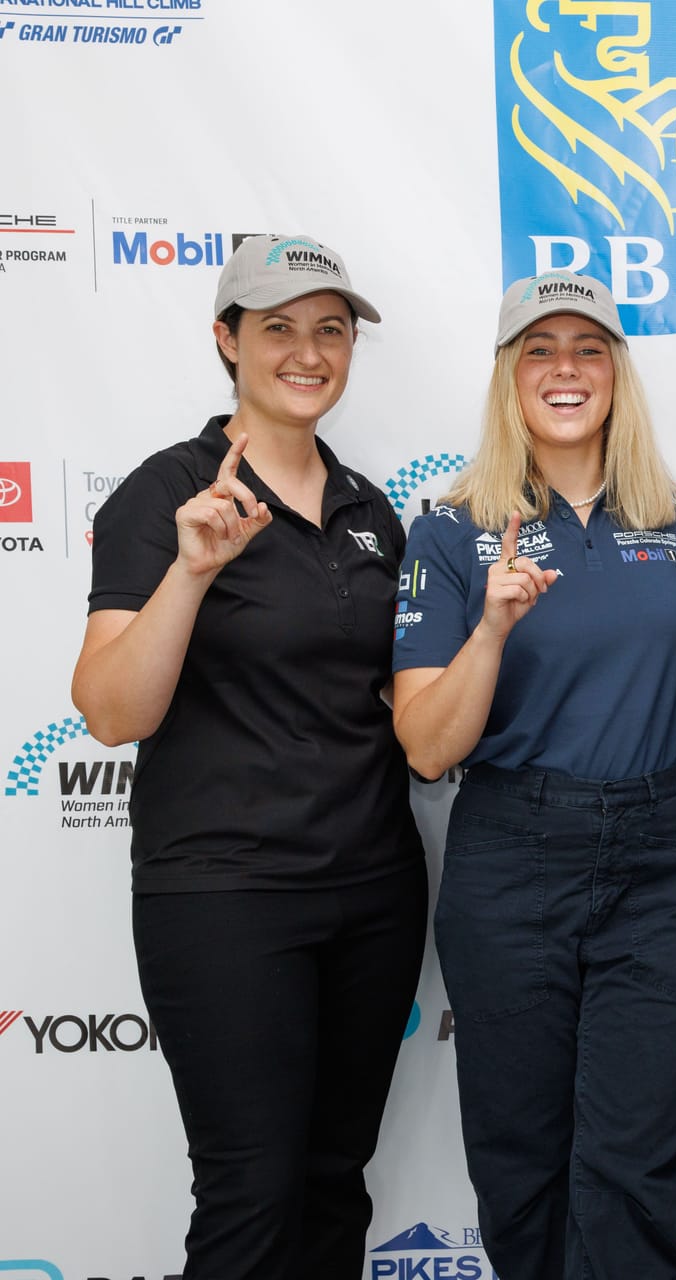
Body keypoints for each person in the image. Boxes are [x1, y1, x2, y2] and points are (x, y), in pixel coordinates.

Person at [71, 234, 425, 1278]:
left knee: (332, 1180)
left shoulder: (370, 508)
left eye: (330, 329)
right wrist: (189, 573)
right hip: (226, 892)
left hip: (372, 889)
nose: (308, 351)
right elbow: (109, 711)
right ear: (227, 340)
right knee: (251, 1188)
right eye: (278, 328)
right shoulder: (165, 492)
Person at [390, 271, 676, 1279]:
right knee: (523, 1156)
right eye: (540, 349)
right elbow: (426, 745)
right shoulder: (454, 526)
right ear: (510, 376)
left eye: (588, 348)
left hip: (656, 854)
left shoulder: (664, 514)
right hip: (514, 851)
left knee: (642, 1152)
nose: (565, 368)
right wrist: (494, 627)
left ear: (616, 373)